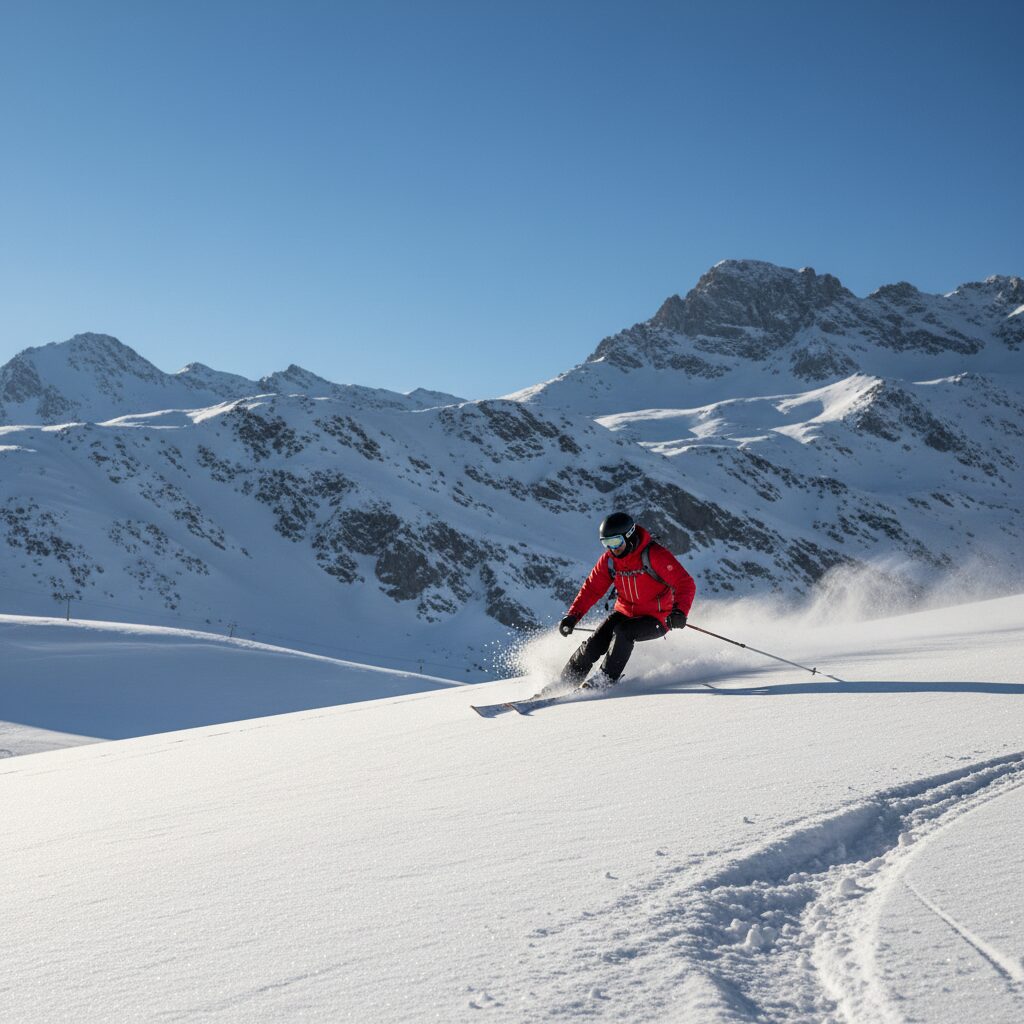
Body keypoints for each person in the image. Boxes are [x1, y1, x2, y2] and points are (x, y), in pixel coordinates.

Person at [558, 511, 696, 690]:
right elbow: (592, 589)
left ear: (629, 537)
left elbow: (685, 583)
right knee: (595, 643)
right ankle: (565, 682)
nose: (612, 548)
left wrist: (679, 612)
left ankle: (604, 680)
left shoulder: (654, 555)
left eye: (616, 542)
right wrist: (572, 616)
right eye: (606, 543)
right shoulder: (610, 560)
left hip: (657, 618)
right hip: (625, 612)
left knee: (623, 632)